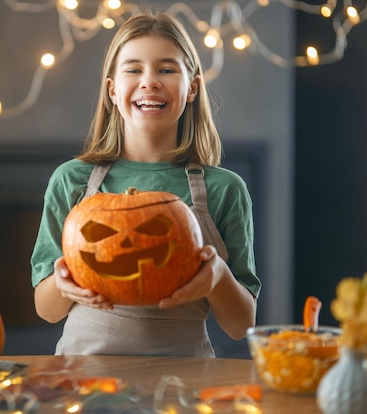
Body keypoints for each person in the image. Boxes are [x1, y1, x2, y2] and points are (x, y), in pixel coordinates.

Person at [30, 11, 261, 357]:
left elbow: (241, 324)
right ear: (112, 89)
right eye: (133, 69)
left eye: (166, 70)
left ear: (192, 87)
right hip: (84, 382)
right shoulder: (72, 181)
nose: (149, 82)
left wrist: (216, 274)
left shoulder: (224, 189)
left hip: (185, 385)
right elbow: (46, 310)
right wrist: (65, 285)